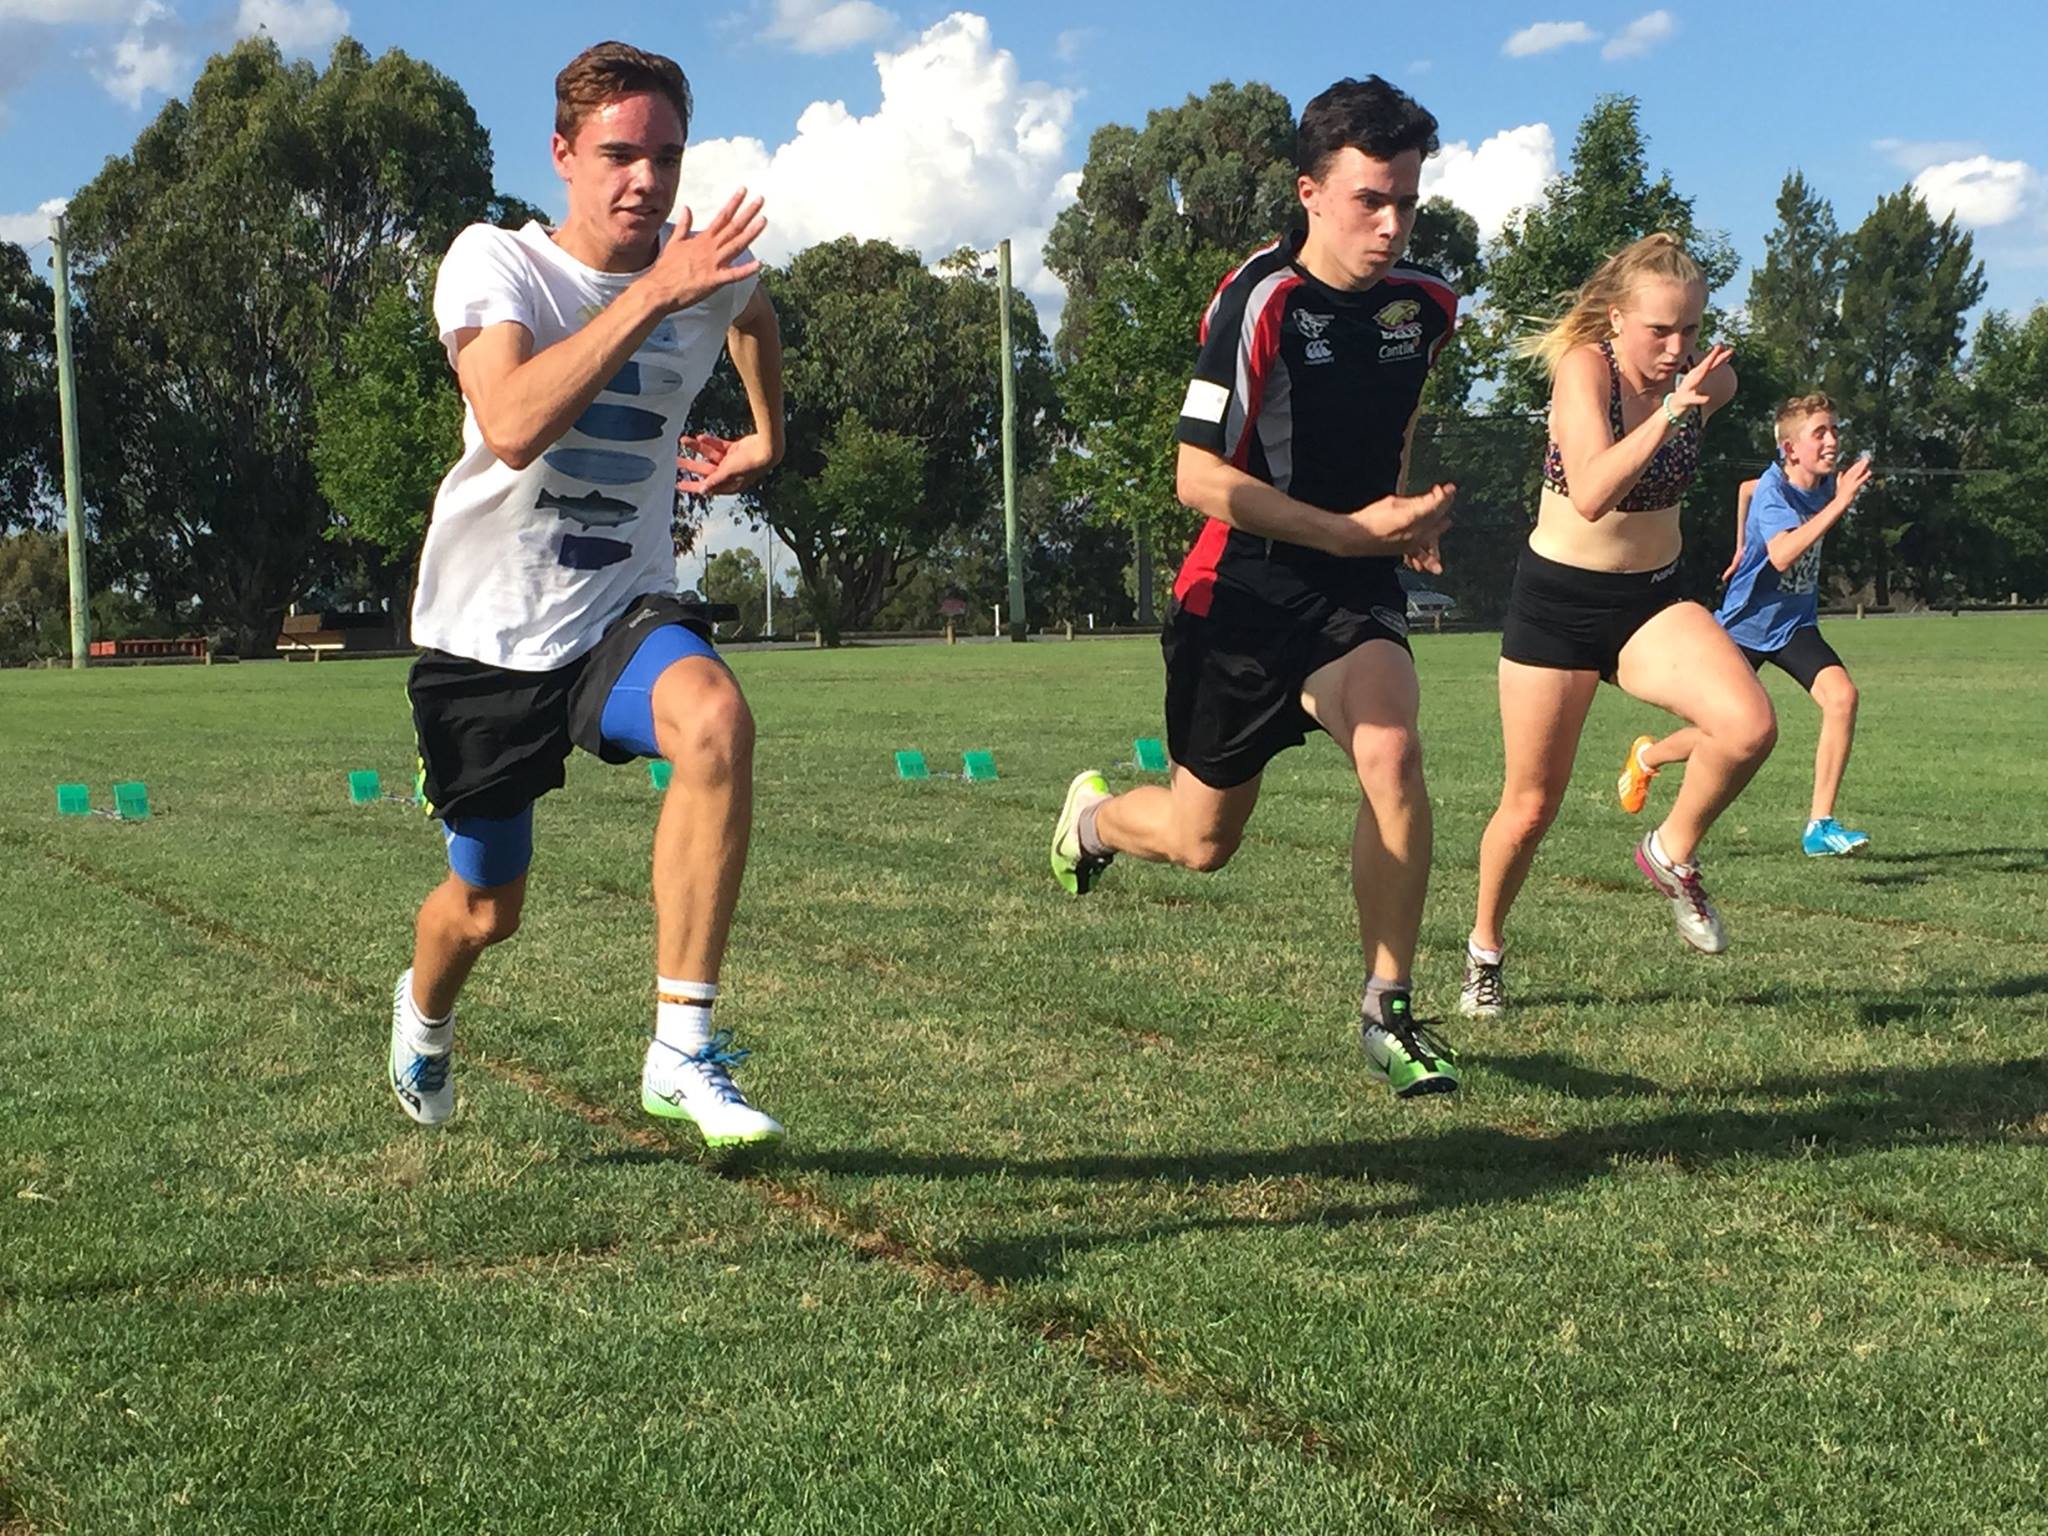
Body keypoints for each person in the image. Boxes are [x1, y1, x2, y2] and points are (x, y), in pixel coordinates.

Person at [388, 41, 787, 1147]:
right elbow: (511, 422)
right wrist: (657, 291)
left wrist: (765, 434)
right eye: (618, 155)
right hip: (485, 635)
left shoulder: (706, 269)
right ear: (562, 155)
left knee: (715, 720)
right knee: (484, 908)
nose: (644, 182)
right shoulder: (495, 265)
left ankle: (681, 1048)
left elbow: (751, 316)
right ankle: (421, 1018)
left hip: (622, 609)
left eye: (664, 157)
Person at [1048, 75, 1463, 1097]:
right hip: (1239, 590)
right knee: (1200, 842)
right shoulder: (1255, 301)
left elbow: (1391, 419)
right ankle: (1092, 820)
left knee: (1392, 754)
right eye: (1370, 198)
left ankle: (1387, 1010)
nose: (1391, 222)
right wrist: (1347, 528)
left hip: (1350, 588)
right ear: (1308, 192)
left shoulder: (1427, 308)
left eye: (1406, 200)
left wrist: (1395, 520)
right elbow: (1195, 478)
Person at [1461, 233, 1771, 1020]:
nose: (1678, 349)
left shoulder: (1709, 380)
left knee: (1747, 726)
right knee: (1530, 807)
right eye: (1660, 331)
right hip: (1558, 606)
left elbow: (1719, 388)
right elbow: (1593, 490)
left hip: (1653, 602)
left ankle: (1670, 853)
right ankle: (1484, 954)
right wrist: (1670, 412)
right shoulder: (1585, 370)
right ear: (1616, 318)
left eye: (1693, 330)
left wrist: (1692, 396)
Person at [1624, 394, 1874, 856]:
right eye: (1820, 432)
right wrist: (1839, 504)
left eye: (1834, 429)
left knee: (1843, 697)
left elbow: (1744, 489)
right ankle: (1647, 756)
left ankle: (1820, 826)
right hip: (1745, 629)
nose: (1832, 440)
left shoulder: (1808, 483)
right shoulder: (1780, 492)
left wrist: (1740, 544)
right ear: (1790, 449)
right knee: (1726, 732)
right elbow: (1781, 554)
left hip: (1795, 626)